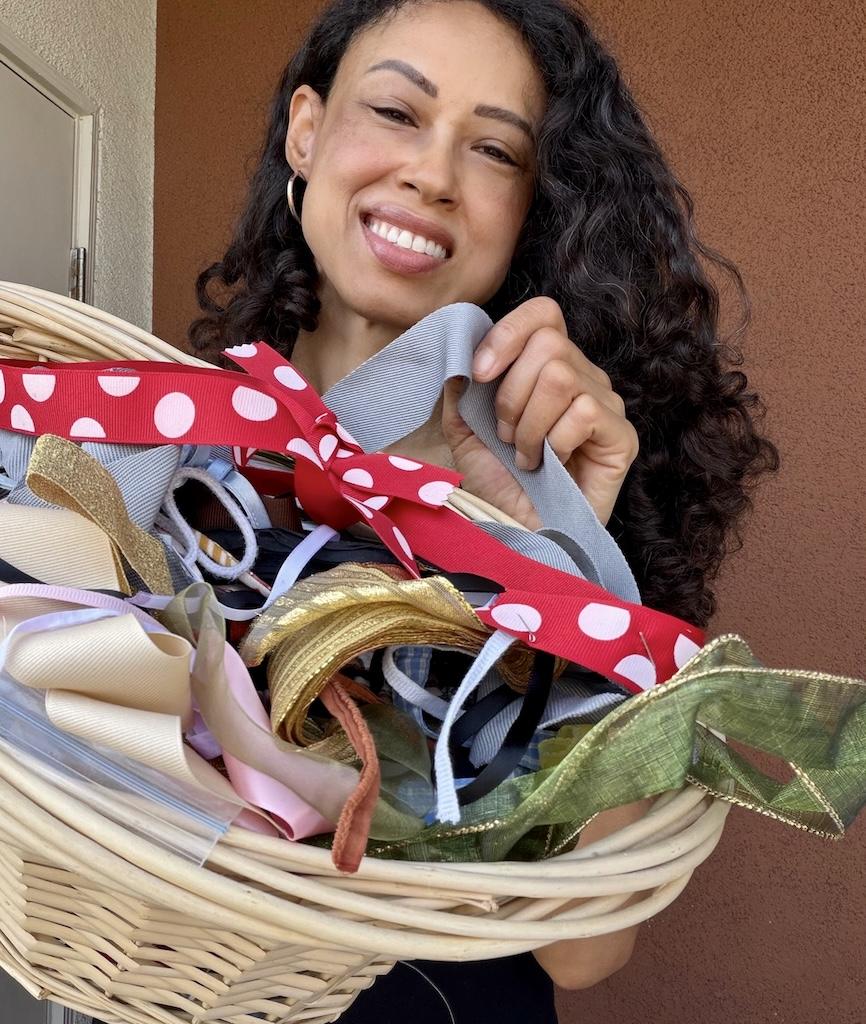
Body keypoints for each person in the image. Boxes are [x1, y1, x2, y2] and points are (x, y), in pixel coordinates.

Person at [188, 0, 779, 1016]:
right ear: (306, 128)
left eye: (494, 150)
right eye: (394, 111)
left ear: (527, 214)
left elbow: (584, 952)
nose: (431, 173)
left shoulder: (546, 491)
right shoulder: (164, 454)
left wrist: (567, 547)